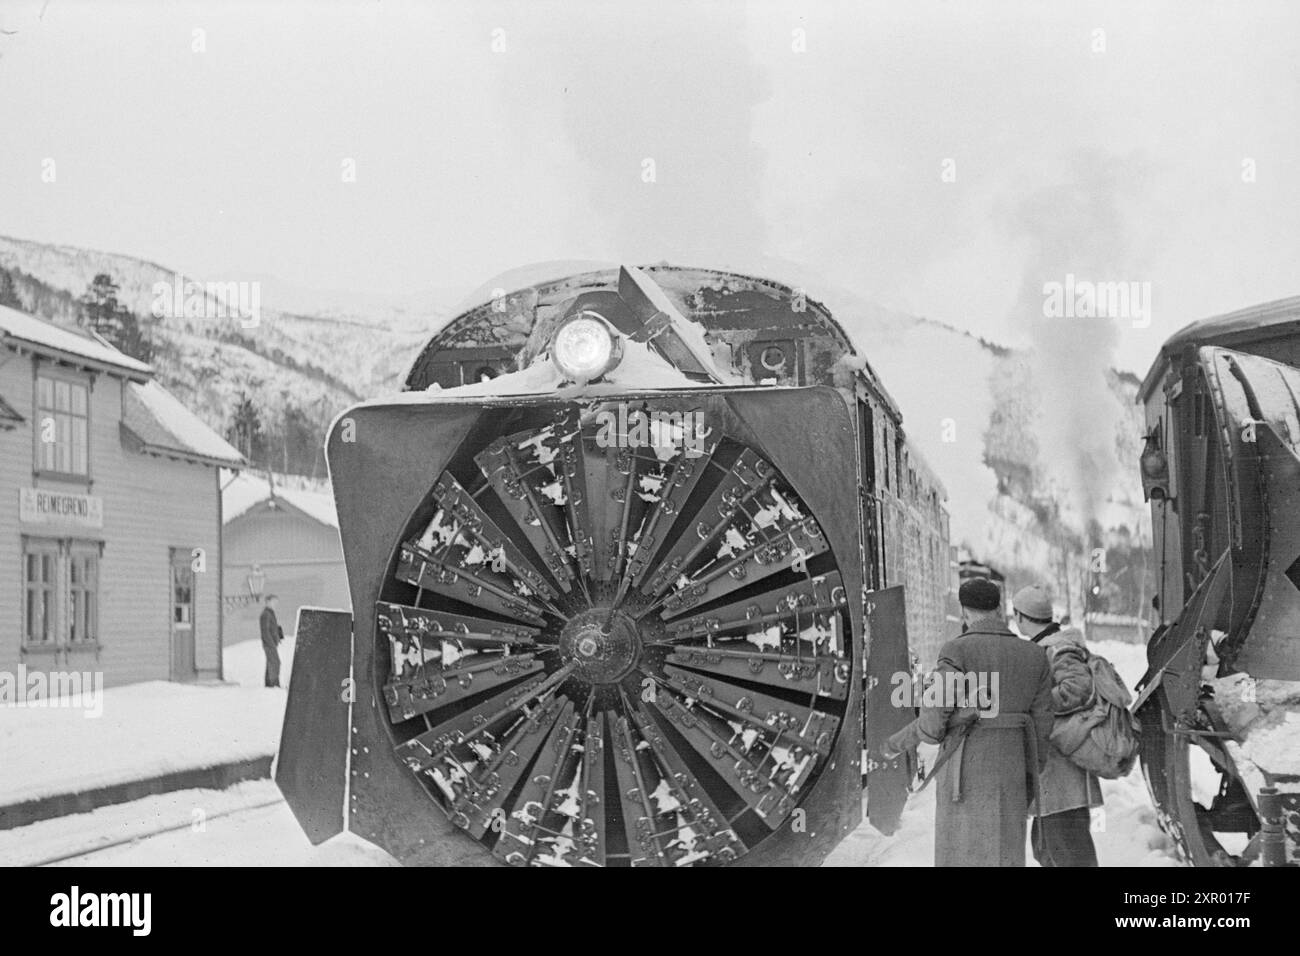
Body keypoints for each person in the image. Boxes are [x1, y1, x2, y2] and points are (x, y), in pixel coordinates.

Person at [883, 577, 1053, 866]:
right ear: (999, 609)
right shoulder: (1035, 656)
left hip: (965, 771)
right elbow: (1042, 726)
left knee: (962, 853)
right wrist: (1029, 774)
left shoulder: (956, 651)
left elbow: (933, 723)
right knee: (1005, 854)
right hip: (1013, 771)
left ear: (965, 613)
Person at [1012, 584, 1103, 867]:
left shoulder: (1058, 648)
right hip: (1052, 772)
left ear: (1020, 617)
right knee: (1046, 849)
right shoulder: (1046, 647)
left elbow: (1078, 688)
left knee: (1068, 853)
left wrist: (1035, 703)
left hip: (1063, 772)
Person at [260, 594, 285, 688]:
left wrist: (278, 634)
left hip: (272, 643)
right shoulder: (266, 614)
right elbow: (265, 631)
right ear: (268, 602)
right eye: (274, 602)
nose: (276, 604)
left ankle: (269, 684)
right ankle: (274, 684)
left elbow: (271, 627)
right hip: (269, 644)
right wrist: (271, 643)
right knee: (275, 662)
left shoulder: (270, 613)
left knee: (271, 662)